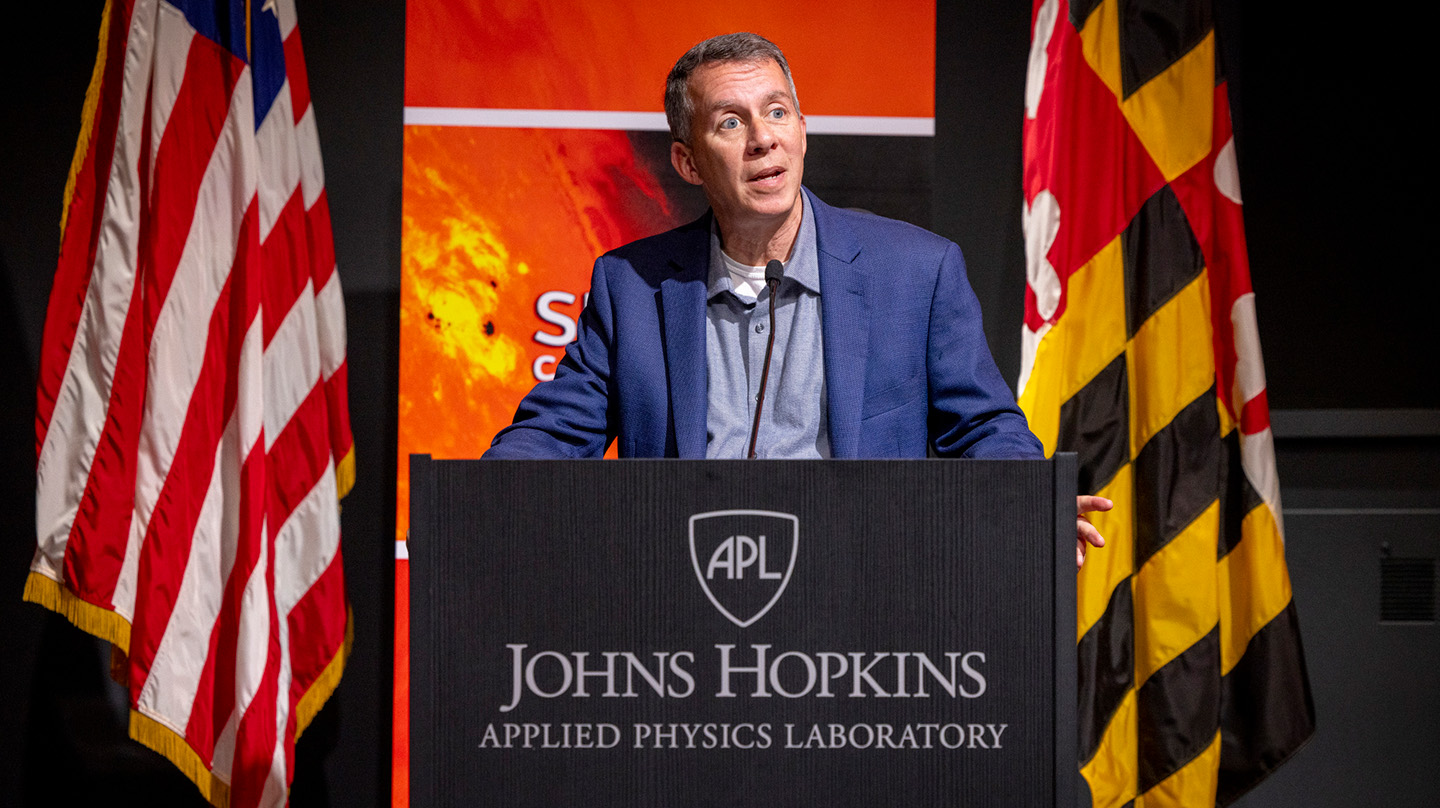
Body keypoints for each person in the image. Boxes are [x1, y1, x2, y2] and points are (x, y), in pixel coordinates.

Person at [484, 32, 1108, 567]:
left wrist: (1033, 504)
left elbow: (982, 429)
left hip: (865, 612)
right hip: (682, 611)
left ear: (803, 132)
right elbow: (555, 434)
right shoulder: (632, 286)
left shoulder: (915, 272)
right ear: (688, 162)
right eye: (730, 122)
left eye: (777, 112)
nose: (763, 139)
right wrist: (472, 502)